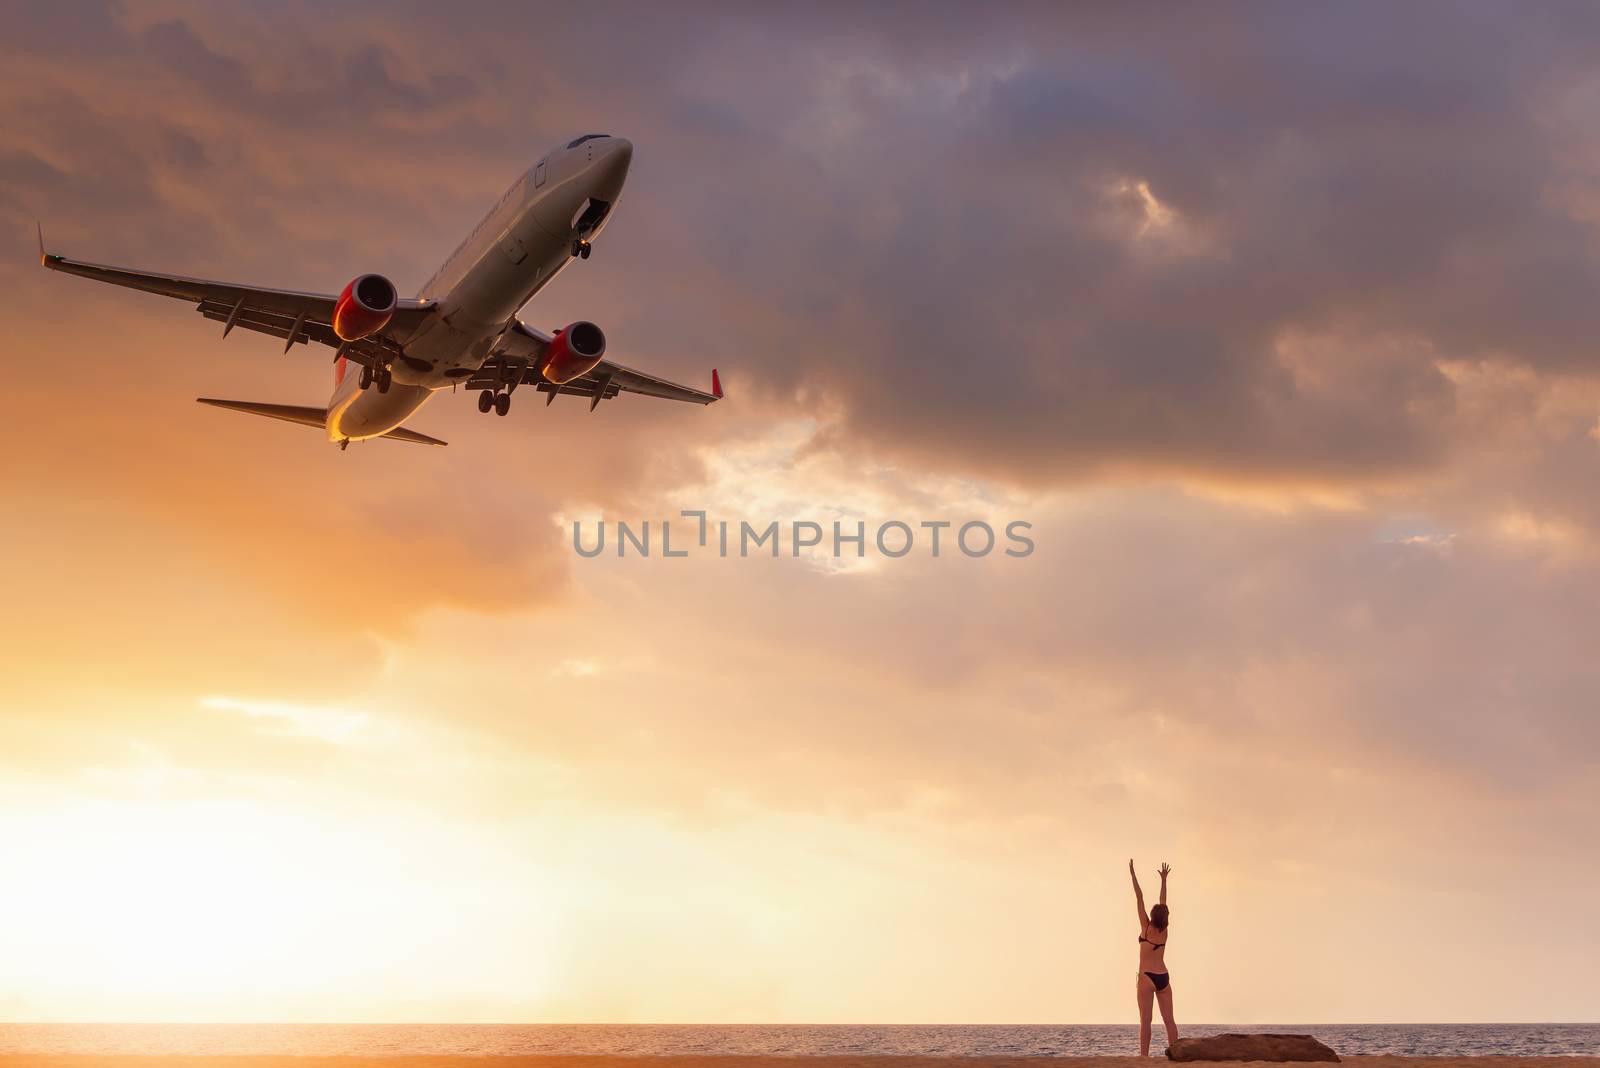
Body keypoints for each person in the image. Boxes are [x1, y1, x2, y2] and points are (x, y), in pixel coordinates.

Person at [1129, 859, 1177, 1056]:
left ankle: (1144, 1057)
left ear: (1151, 915)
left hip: (1147, 977)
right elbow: (1163, 902)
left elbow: (1139, 897)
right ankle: (1176, 1054)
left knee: (1145, 1021)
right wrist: (1164, 879)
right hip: (1163, 977)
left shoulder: (1146, 927)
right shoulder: (1165, 930)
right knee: (1170, 1021)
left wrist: (1133, 875)